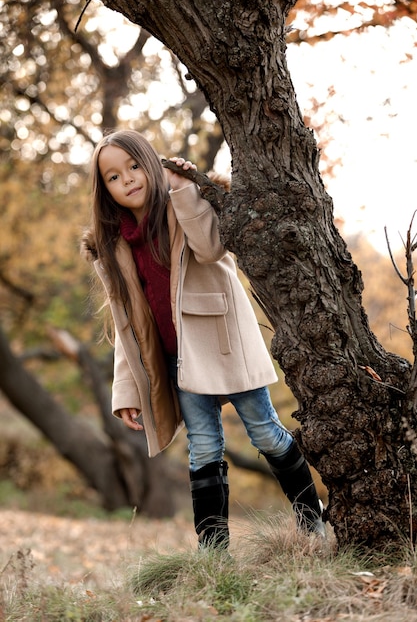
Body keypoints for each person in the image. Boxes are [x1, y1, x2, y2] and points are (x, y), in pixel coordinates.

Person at [81, 129, 325, 549]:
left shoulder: (185, 203)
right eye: (114, 177)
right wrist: (126, 390)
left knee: (265, 431)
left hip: (223, 341)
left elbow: (212, 249)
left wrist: (186, 192)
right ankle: (214, 554)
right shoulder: (116, 245)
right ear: (105, 190)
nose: (128, 180)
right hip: (179, 361)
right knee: (204, 448)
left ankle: (312, 524)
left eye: (135, 166)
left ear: (153, 164)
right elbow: (127, 326)